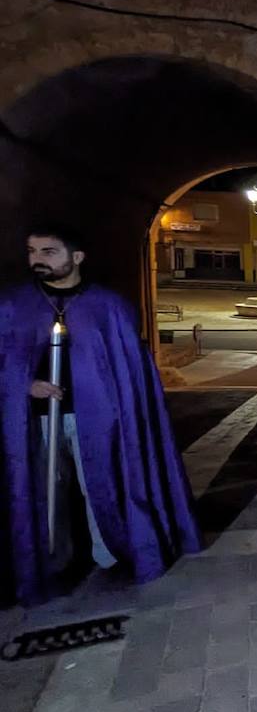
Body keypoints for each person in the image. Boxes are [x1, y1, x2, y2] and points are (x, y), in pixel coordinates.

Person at [0, 228, 200, 606]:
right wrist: (25, 384)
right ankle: (51, 560)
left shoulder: (107, 306)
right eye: (31, 251)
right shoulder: (13, 305)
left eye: (48, 251)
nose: (37, 259)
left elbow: (130, 368)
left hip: (101, 417)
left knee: (104, 485)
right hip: (34, 420)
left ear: (76, 257)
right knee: (43, 490)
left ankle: (109, 552)